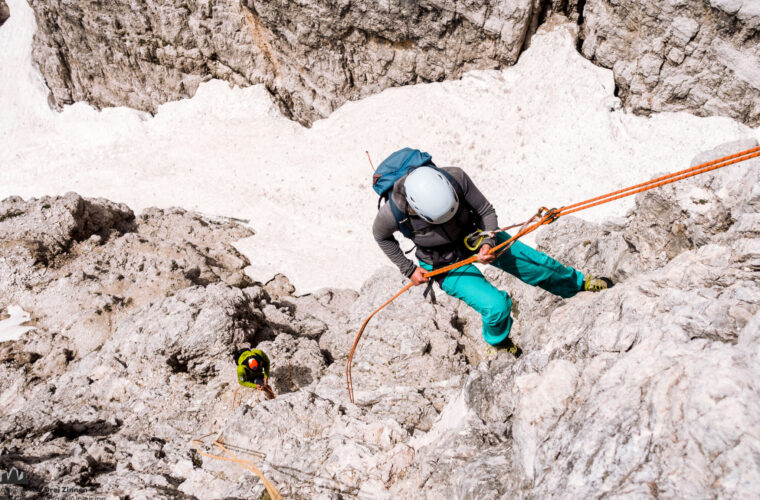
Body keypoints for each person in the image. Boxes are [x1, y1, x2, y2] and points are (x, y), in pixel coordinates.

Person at [372, 165, 612, 357]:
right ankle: (499, 342)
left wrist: (487, 242)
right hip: (439, 261)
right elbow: (381, 237)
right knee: (495, 307)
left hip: (476, 235)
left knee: (536, 264)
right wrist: (409, 269)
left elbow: (485, 210)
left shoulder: (455, 177)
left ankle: (577, 284)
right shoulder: (393, 213)